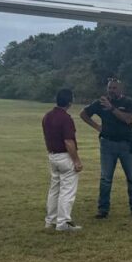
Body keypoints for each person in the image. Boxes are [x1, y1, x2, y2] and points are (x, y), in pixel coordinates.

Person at [80, 77, 132, 218]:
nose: (111, 90)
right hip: (107, 145)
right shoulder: (100, 103)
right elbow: (83, 114)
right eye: (109, 88)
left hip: (126, 145)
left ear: (121, 89)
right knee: (105, 179)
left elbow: (128, 119)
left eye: (114, 88)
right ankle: (103, 210)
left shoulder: (128, 102)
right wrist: (97, 127)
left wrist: (112, 108)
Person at [43, 88, 83, 232]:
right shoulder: (66, 118)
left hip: (53, 155)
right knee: (67, 191)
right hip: (65, 156)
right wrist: (76, 161)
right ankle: (63, 222)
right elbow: (69, 141)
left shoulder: (47, 116)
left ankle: (51, 220)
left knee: (54, 189)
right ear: (70, 102)